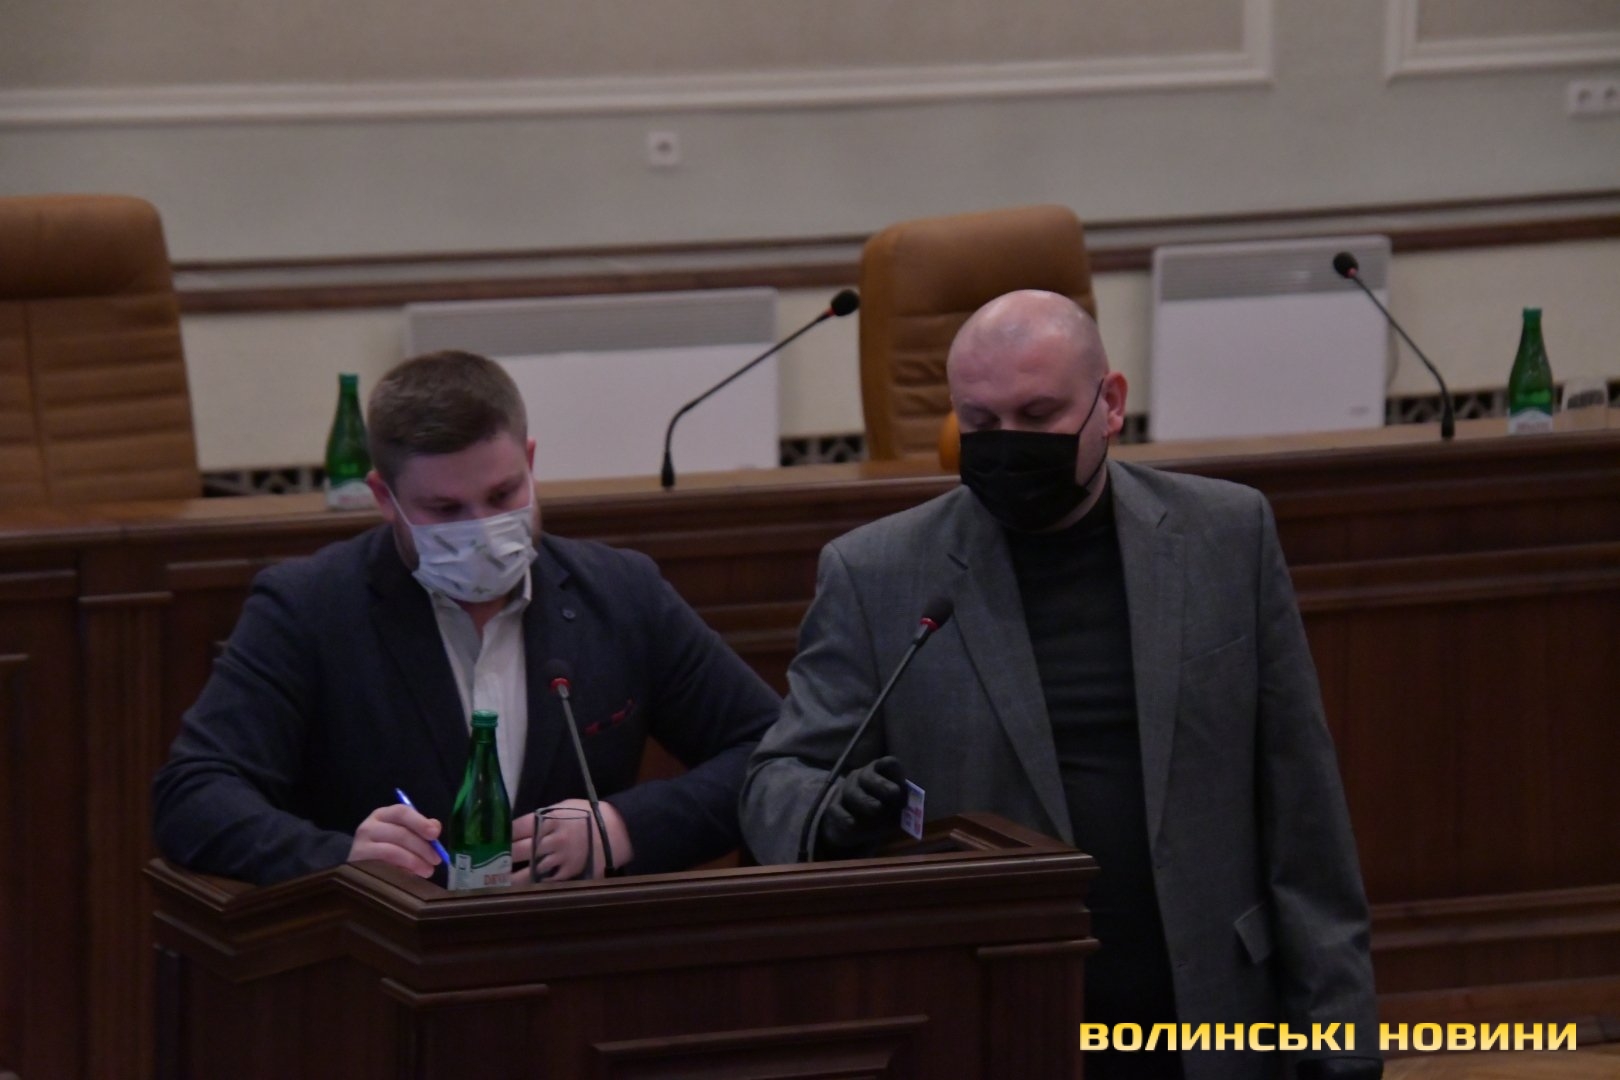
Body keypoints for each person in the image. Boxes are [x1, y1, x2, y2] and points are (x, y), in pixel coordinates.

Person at [740, 291, 1380, 1080]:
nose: (1008, 445)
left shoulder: (1226, 536)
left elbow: (1303, 807)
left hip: (1210, 1012)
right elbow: (777, 779)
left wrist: (1342, 1035)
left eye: (1038, 416)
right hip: (995, 1019)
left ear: (1109, 404)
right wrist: (830, 815)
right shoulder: (876, 573)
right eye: (980, 422)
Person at [154, 350, 779, 886]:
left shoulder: (620, 593)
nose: (481, 529)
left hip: (578, 952)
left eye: (503, 495)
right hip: (387, 959)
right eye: (445, 509)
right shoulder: (308, 607)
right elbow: (194, 794)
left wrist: (623, 827)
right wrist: (343, 860)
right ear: (385, 498)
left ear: (530, 462)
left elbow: (771, 752)